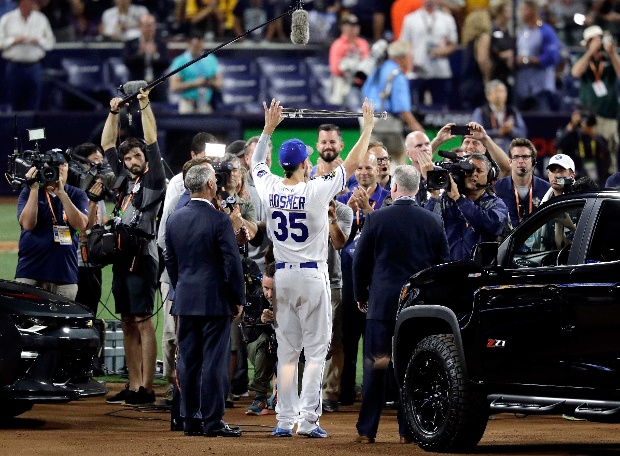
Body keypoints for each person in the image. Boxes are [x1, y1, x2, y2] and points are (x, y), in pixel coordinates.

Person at [250, 98, 376, 438]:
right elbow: (349, 165)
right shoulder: (317, 191)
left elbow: (255, 163)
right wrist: (366, 131)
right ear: (305, 163)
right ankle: (307, 422)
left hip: (283, 276)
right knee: (317, 351)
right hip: (312, 274)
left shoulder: (270, 186)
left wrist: (267, 129)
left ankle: (282, 419)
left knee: (288, 351)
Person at [353, 165, 449, 445]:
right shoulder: (432, 221)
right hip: (417, 308)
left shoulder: (376, 220)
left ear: (393, 188)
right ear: (418, 189)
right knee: (413, 368)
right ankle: (409, 431)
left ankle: (366, 431)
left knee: (376, 367)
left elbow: (360, 262)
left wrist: (361, 295)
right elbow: (442, 264)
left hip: (382, 305)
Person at [164, 164, 244, 438]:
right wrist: (237, 297)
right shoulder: (219, 220)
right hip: (214, 301)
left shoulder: (174, 218)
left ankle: (190, 420)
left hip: (185, 301)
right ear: (211, 184)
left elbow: (170, 260)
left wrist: (183, 286)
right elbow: (232, 263)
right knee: (213, 361)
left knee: (187, 361)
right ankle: (212, 422)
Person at [102, 88, 165, 406]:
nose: (132, 161)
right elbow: (107, 144)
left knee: (141, 320)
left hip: (143, 256)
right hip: (121, 255)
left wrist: (143, 104)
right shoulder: (122, 182)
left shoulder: (155, 181)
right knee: (126, 319)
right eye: (128, 158)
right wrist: (113, 112)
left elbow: (152, 140)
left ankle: (148, 387)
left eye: (137, 156)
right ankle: (133, 381)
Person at [157, 132, 219, 404]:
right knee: (173, 336)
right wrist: (180, 271)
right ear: (193, 157)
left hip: (197, 280)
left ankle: (194, 392)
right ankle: (174, 387)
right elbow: (163, 239)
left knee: (194, 339)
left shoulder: (217, 188)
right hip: (177, 278)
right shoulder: (176, 189)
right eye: (205, 157)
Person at [336, 147, 391, 408]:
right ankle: (346, 392)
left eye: (368, 167)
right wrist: (345, 211)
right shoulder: (345, 198)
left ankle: (376, 394)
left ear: (378, 169)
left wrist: (368, 209)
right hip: (349, 278)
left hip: (377, 280)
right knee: (347, 340)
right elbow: (336, 239)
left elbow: (386, 239)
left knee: (375, 341)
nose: (363, 172)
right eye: (359, 168)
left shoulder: (389, 200)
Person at [15, 150, 88, 300]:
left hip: (65, 276)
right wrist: (34, 189)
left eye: (63, 164)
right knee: (29, 323)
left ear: (68, 168)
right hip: (30, 273)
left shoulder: (77, 194)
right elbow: (28, 225)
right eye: (53, 164)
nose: (59, 168)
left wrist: (62, 194)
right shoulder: (28, 192)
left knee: (62, 323)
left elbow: (81, 225)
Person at [425, 153, 509, 261]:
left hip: (480, 272)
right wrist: (434, 197)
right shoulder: (445, 201)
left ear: (489, 176)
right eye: (470, 170)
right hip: (447, 270)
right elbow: (427, 228)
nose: (474, 174)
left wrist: (459, 200)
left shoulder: (495, 204)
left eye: (479, 171)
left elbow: (492, 225)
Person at [362, 40, 423, 166]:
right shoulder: (397, 74)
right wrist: (415, 126)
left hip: (369, 121)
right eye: (410, 56)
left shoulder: (377, 69)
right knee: (399, 161)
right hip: (388, 125)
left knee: (372, 163)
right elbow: (401, 107)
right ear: (402, 57)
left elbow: (364, 91)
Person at [571, 25, 620, 174]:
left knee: (609, 154)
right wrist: (590, 52)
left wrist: (612, 54)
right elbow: (575, 72)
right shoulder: (583, 58)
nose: (598, 44)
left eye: (599, 39)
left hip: (609, 116)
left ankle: (611, 187)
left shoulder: (611, 58)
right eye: (594, 40)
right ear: (587, 43)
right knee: (588, 154)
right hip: (589, 118)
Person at [69, 143, 111, 312]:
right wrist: (92, 203)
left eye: (102, 159)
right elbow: (81, 232)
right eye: (95, 160)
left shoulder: (98, 194)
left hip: (94, 263)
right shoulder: (75, 194)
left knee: (91, 313)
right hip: (78, 264)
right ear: (83, 164)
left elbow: (104, 222)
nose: (101, 164)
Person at [322, 196, 353, 413]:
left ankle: (329, 393)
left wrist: (331, 218)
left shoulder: (343, 211)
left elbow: (339, 242)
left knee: (333, 339)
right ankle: (302, 390)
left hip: (332, 282)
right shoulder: (302, 203)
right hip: (304, 278)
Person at [400, 0, 458, 110]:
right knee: (416, 108)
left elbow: (453, 44)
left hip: (440, 71)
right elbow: (404, 44)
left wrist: (444, 51)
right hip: (418, 70)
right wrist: (410, 63)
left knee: (441, 108)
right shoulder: (411, 19)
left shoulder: (447, 19)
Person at [0, 0, 55, 111]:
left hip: (35, 67)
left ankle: (31, 127)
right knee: (13, 104)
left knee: (34, 104)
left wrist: (39, 41)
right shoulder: (7, 19)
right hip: (14, 67)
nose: (31, 4)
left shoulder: (41, 19)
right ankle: (14, 128)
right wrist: (14, 40)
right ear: (21, 3)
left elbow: (50, 44)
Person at [515, 0, 562, 112]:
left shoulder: (546, 31)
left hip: (541, 87)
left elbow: (552, 57)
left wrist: (527, 60)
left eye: (523, 10)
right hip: (523, 87)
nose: (520, 13)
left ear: (531, 11)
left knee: (543, 122)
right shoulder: (522, 31)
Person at [244, 262, 277, 416]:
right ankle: (260, 397)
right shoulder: (255, 297)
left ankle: (283, 393)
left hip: (293, 350)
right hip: (261, 349)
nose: (269, 294)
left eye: (273, 289)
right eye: (266, 288)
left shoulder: (296, 297)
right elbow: (248, 336)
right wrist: (261, 321)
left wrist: (281, 319)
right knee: (266, 341)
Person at [494, 138, 550, 228]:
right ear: (510, 162)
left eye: (525, 157)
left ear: (533, 161)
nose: (520, 161)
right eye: (516, 157)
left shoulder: (547, 189)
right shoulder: (497, 189)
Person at [430, 121, 511, 179]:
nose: (470, 146)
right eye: (467, 142)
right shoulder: (451, 167)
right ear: (461, 146)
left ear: (484, 149)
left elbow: (507, 169)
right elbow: (420, 166)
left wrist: (485, 139)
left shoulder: (490, 172)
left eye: (475, 143)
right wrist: (438, 140)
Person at [169, 29, 222, 114]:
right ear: (189, 44)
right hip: (187, 103)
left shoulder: (211, 59)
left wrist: (209, 83)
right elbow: (174, 87)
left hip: (205, 103)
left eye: (200, 45)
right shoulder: (180, 61)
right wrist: (195, 84)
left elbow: (220, 84)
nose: (198, 48)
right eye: (195, 46)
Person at [123, 13, 170, 102]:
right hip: (137, 84)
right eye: (147, 26)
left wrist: (155, 55)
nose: (150, 29)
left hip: (156, 85)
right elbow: (127, 62)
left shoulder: (161, 44)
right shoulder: (131, 43)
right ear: (141, 27)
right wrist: (140, 53)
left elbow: (166, 63)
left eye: (152, 26)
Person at [471, 80, 528, 154]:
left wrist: (511, 130)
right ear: (487, 95)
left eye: (502, 91)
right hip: (486, 154)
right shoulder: (480, 112)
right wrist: (497, 132)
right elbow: (474, 133)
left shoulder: (512, 111)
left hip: (509, 154)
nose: (499, 95)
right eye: (496, 91)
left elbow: (523, 134)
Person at [555, 110, 610, 186]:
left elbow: (606, 155)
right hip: (574, 176)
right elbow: (558, 144)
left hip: (594, 177)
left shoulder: (597, 139)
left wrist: (594, 135)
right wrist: (572, 124)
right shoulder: (573, 136)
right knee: (560, 182)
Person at [328, 13, 370, 110]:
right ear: (342, 27)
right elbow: (335, 69)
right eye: (349, 25)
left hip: (362, 83)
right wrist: (350, 67)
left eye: (355, 25)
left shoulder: (362, 43)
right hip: (344, 83)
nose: (352, 28)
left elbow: (367, 63)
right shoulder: (338, 44)